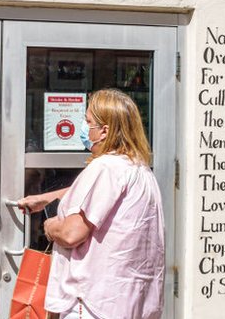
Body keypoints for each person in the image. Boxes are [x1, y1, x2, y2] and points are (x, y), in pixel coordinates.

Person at [17, 88, 165, 319]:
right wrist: (47, 198)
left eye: (88, 121)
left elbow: (71, 234)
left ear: (104, 130)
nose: (84, 128)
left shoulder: (105, 167)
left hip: (93, 303)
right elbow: (93, 193)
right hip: (130, 302)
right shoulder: (139, 169)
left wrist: (50, 226)